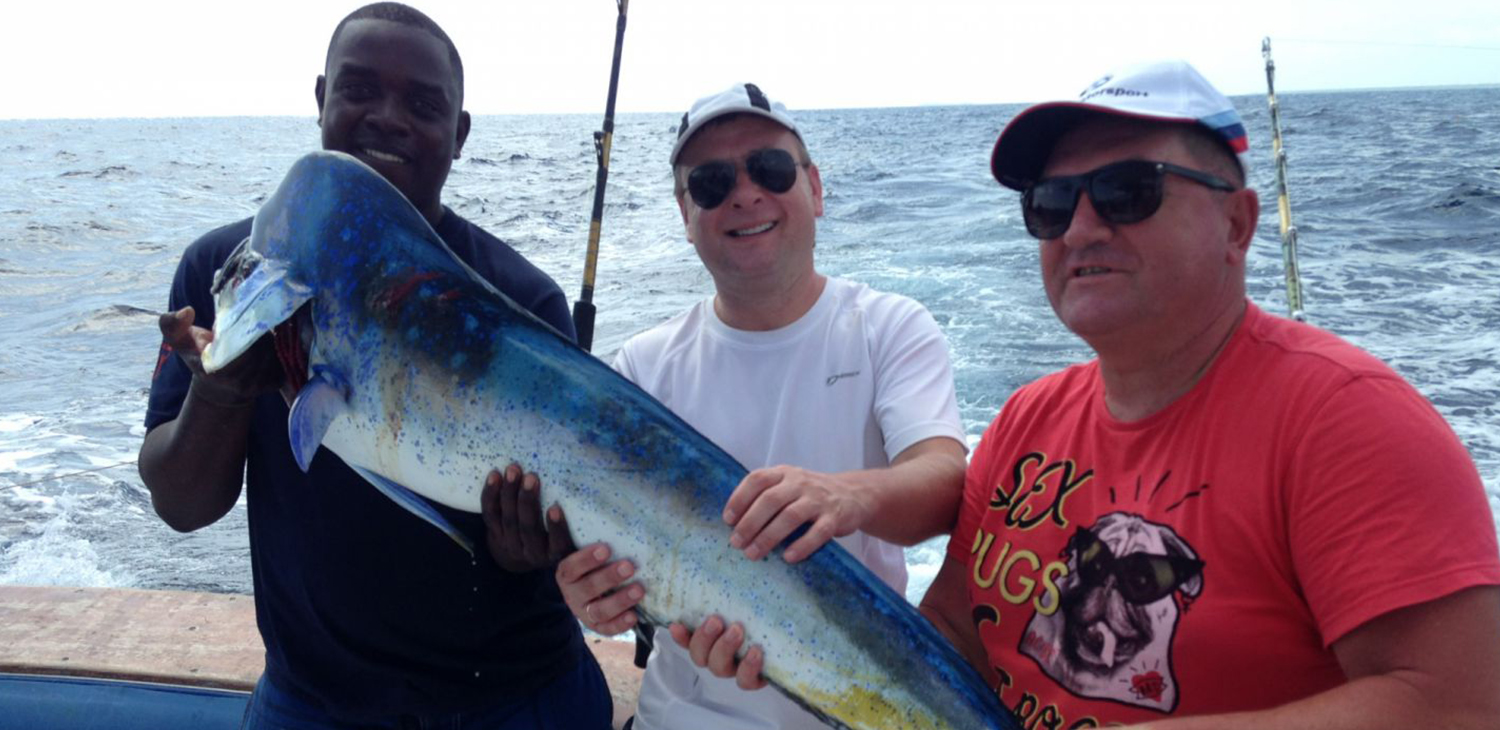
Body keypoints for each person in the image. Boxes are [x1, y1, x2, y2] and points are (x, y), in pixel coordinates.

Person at [917, 59, 1500, 729]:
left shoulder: (1348, 422)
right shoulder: (1027, 416)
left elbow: (1458, 706)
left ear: (1237, 224)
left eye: (1126, 191)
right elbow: (952, 634)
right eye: (1051, 203)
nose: (1079, 228)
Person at [137, 4, 610, 728]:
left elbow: (566, 532)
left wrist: (527, 550)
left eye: (423, 104)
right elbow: (182, 505)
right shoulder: (227, 269)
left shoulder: (519, 299)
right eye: (358, 90)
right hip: (312, 701)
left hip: (516, 697)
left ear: (460, 133)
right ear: (320, 98)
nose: (387, 117)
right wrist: (223, 393)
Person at [549, 83, 969, 729]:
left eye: (770, 168)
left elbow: (944, 484)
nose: (745, 193)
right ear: (687, 216)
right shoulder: (640, 367)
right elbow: (612, 557)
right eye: (711, 183)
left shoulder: (891, 327)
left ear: (816, 188)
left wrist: (847, 498)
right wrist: (600, 596)